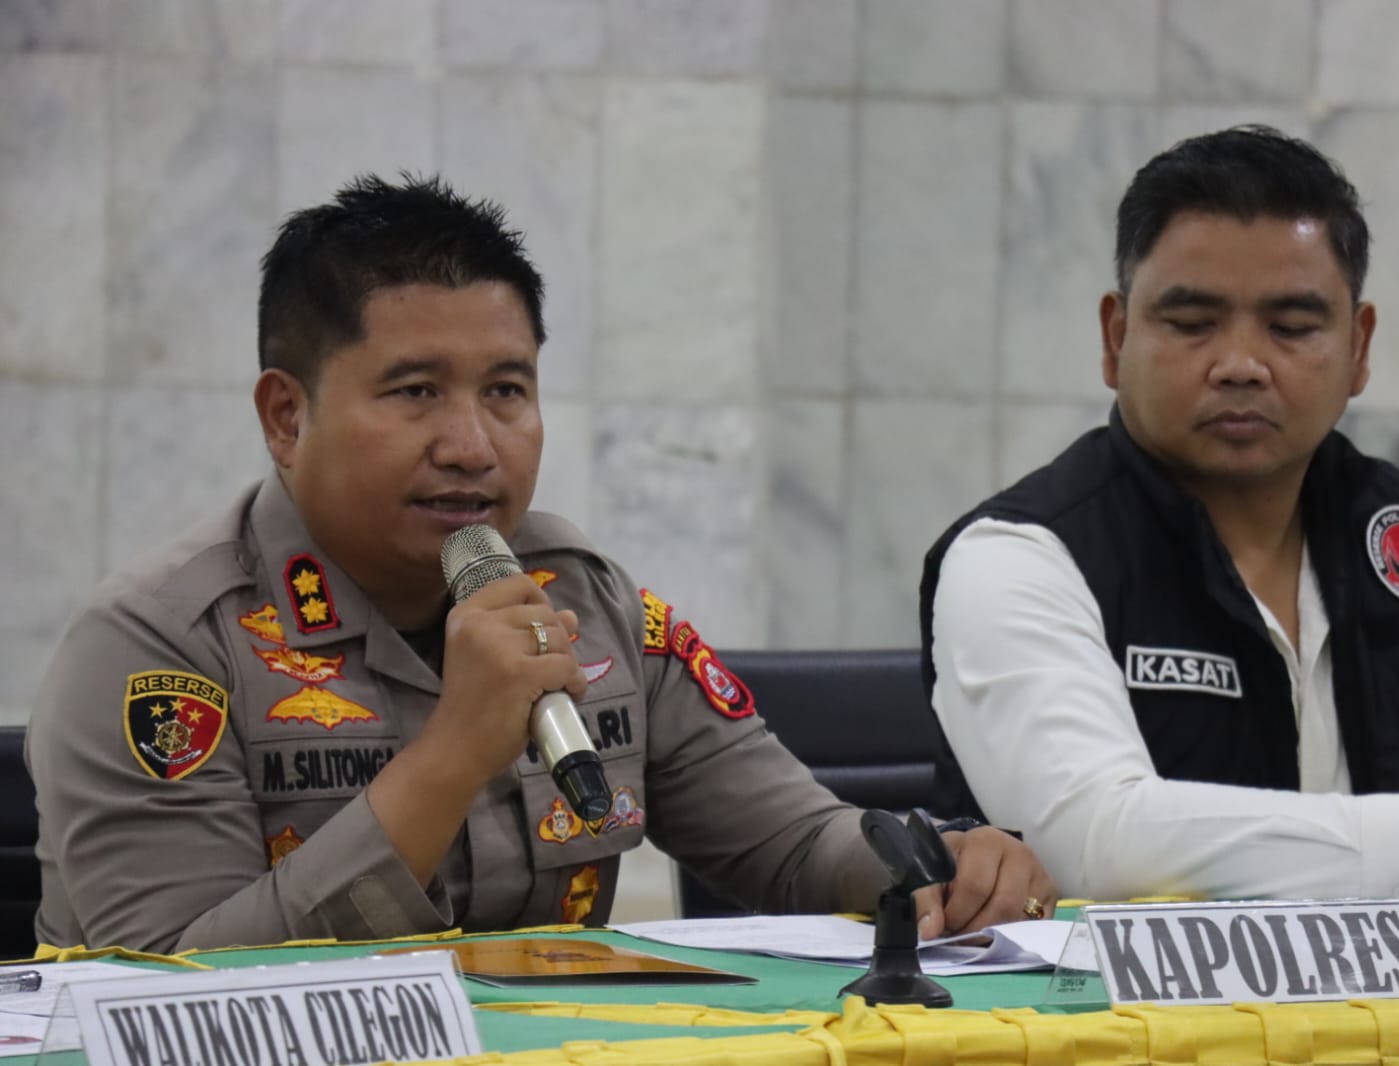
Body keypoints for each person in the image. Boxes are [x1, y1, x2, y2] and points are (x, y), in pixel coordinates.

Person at [28, 175, 1056, 954]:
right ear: (286, 417)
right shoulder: (163, 643)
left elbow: (792, 841)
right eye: (415, 392)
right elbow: (165, 988)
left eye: (507, 391)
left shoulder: (586, 598)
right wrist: (454, 750)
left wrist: (936, 863)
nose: (472, 445)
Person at [920, 126, 1399, 905]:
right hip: (1106, 988)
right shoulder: (1017, 555)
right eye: (1191, 323)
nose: (1240, 364)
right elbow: (1091, 844)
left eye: (1291, 327)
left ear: (1358, 347)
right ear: (1115, 337)